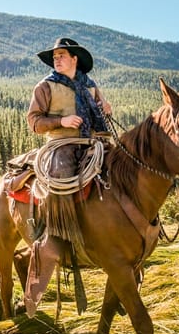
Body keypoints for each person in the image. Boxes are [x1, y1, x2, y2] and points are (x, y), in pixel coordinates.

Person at [22, 37, 112, 314]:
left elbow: (102, 111)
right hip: (60, 144)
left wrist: (106, 109)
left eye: (61, 55)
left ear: (75, 59)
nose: (56, 60)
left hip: (94, 142)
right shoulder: (45, 86)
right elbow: (34, 121)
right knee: (61, 178)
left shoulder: (90, 86)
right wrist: (61, 121)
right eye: (55, 56)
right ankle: (56, 235)